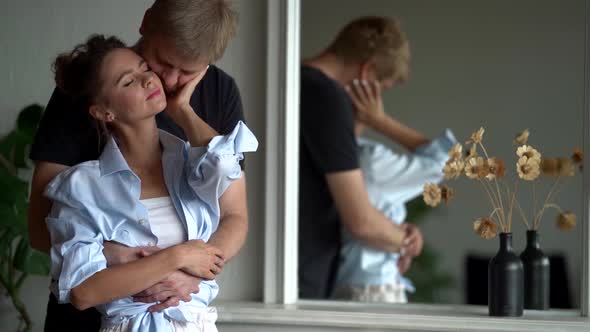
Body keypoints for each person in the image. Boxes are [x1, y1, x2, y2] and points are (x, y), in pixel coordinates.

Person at [27, 1, 248, 331]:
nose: (170, 80)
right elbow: (41, 230)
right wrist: (136, 261)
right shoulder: (89, 86)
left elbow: (234, 214)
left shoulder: (217, 98)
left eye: (188, 72)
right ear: (146, 24)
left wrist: (192, 271)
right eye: (162, 62)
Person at [298, 16, 424, 299]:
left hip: (287, 269)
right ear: (367, 74)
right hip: (305, 278)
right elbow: (361, 222)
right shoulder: (328, 97)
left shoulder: (293, 81)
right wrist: (407, 242)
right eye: (383, 88)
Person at [332, 78, 457, 303]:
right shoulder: (370, 162)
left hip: (335, 286)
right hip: (375, 290)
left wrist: (403, 238)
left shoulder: (316, 159)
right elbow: (448, 161)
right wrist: (380, 121)